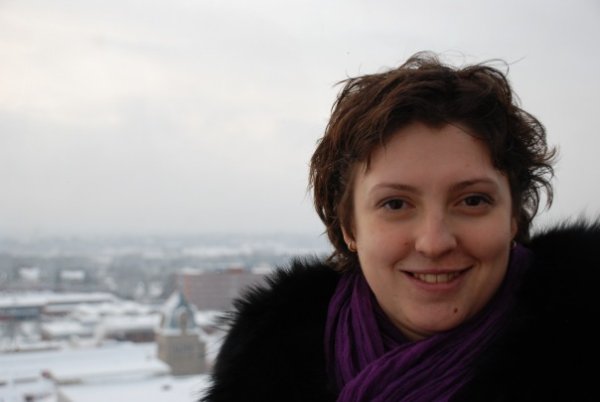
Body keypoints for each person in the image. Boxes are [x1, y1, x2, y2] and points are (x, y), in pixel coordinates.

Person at [200, 52, 600, 401]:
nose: (434, 242)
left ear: (513, 216)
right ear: (349, 227)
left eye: (472, 201)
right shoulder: (263, 365)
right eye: (395, 204)